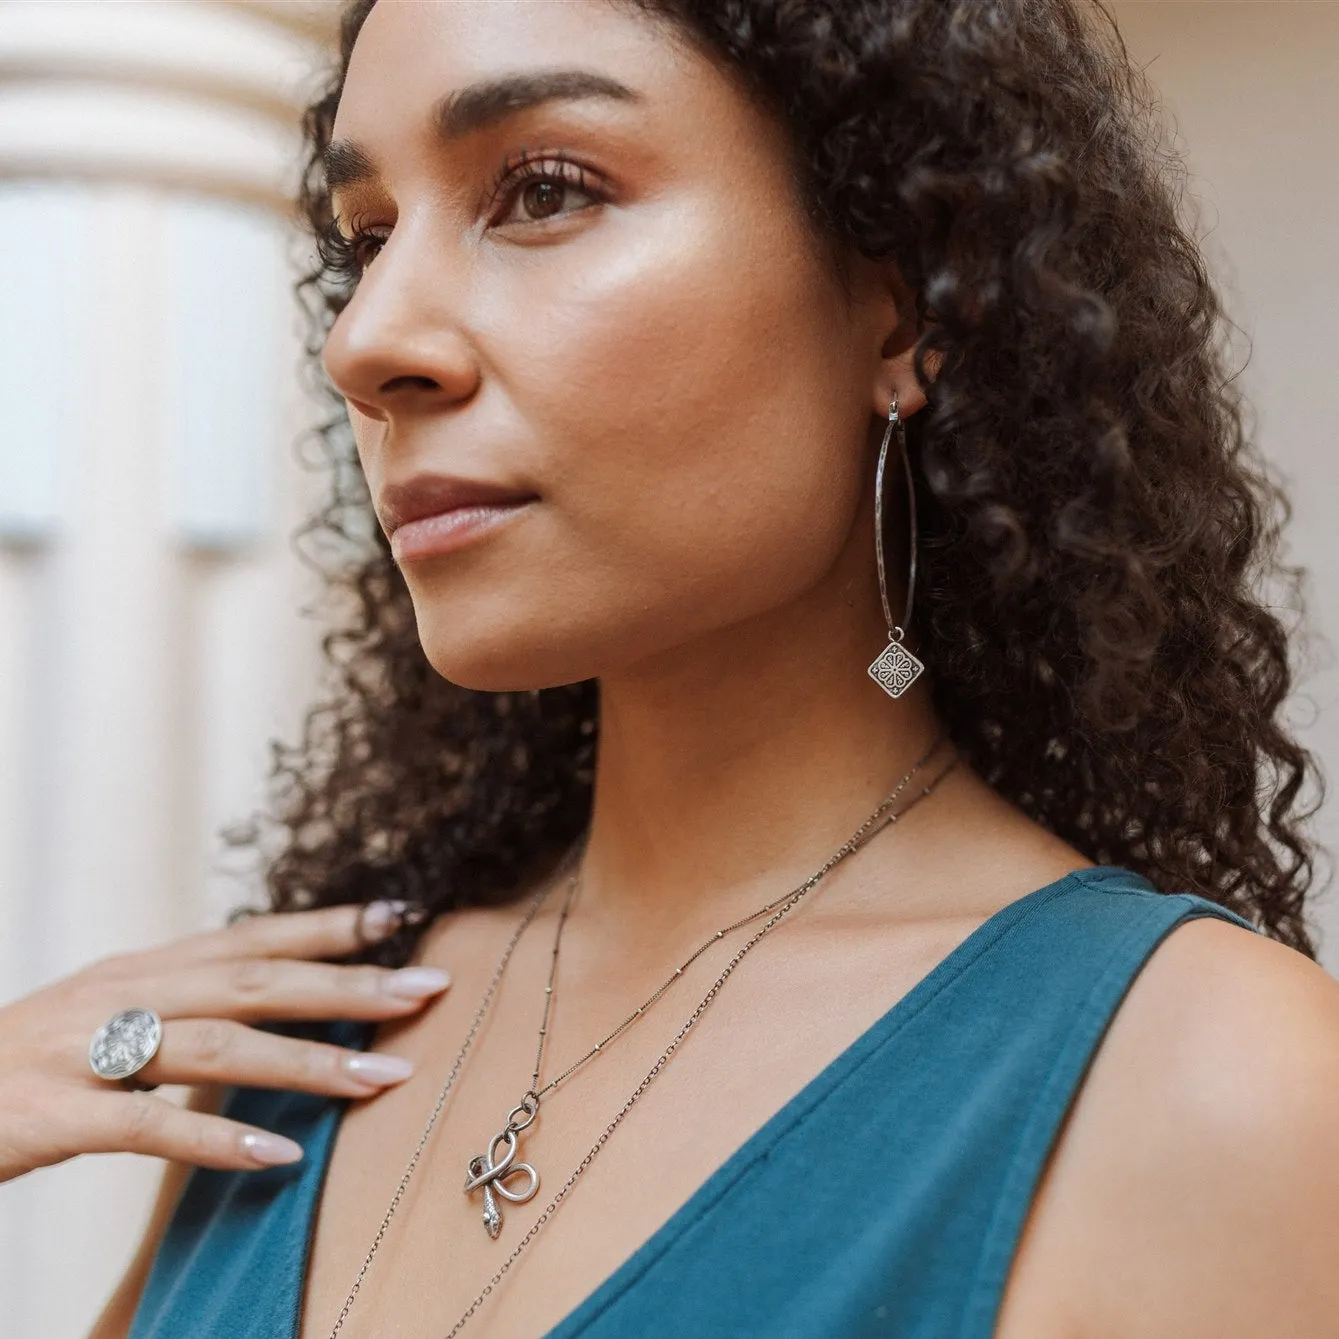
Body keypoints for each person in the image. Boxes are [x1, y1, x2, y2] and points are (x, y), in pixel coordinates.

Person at [1, 0, 1330, 1334]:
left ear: (900, 303)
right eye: (367, 238)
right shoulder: (301, 1038)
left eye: (544, 191)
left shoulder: (1202, 1080)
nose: (366, 342)